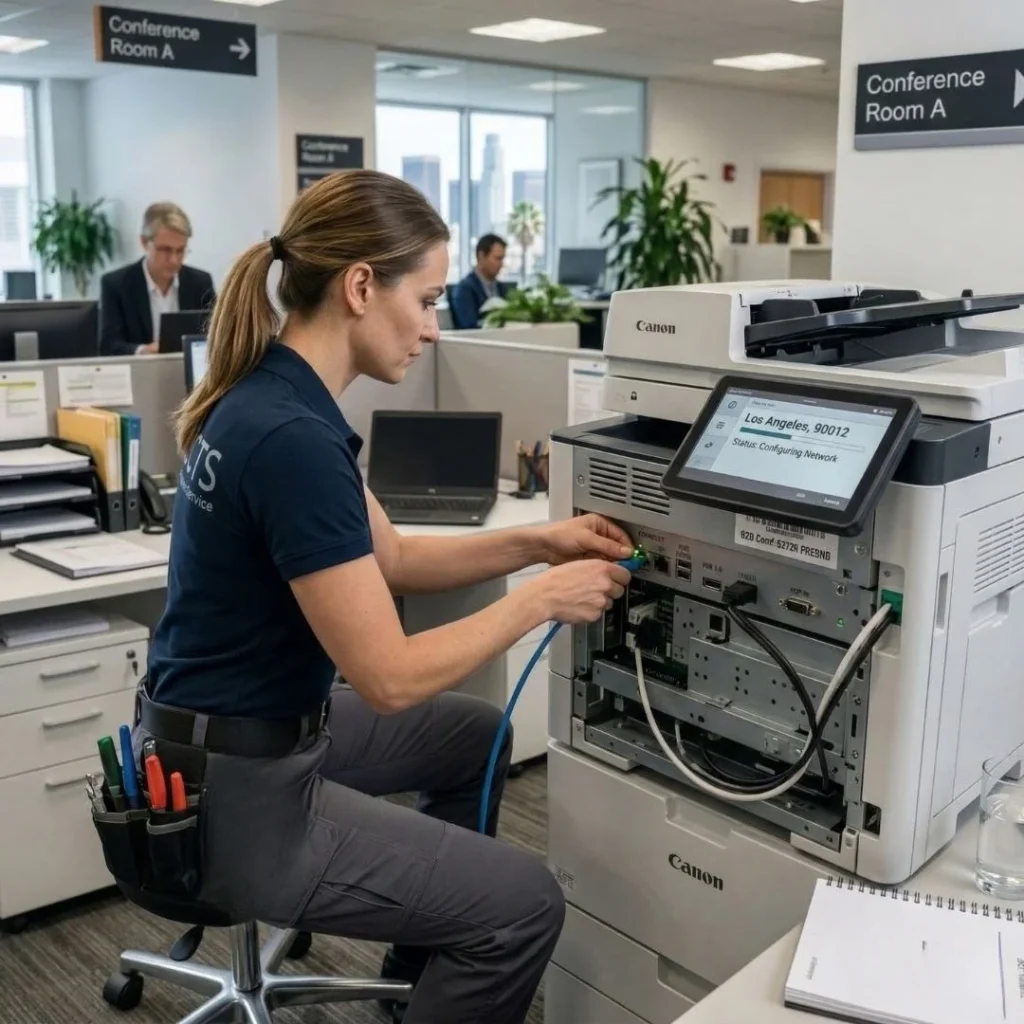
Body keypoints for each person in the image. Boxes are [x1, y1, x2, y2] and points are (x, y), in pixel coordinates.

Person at [139, 170, 634, 1024]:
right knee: (523, 903)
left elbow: (393, 557)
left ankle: (417, 983)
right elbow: (390, 678)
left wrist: (538, 541)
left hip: (207, 744)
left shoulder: (272, 396)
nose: (436, 330)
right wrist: (542, 599)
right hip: (242, 800)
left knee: (477, 737)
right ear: (362, 286)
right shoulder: (293, 439)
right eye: (430, 299)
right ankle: (456, 961)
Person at [98, 202, 216, 356]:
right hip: (139, 374)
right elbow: (108, 345)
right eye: (165, 250)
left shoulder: (200, 282)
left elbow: (217, 335)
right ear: (144, 242)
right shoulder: (116, 285)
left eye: (180, 251)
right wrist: (143, 351)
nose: (174, 260)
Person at [450, 232, 510, 328]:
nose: (501, 264)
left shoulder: (502, 288)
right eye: (497, 258)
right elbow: (469, 326)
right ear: (481, 256)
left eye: (502, 259)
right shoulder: (465, 289)